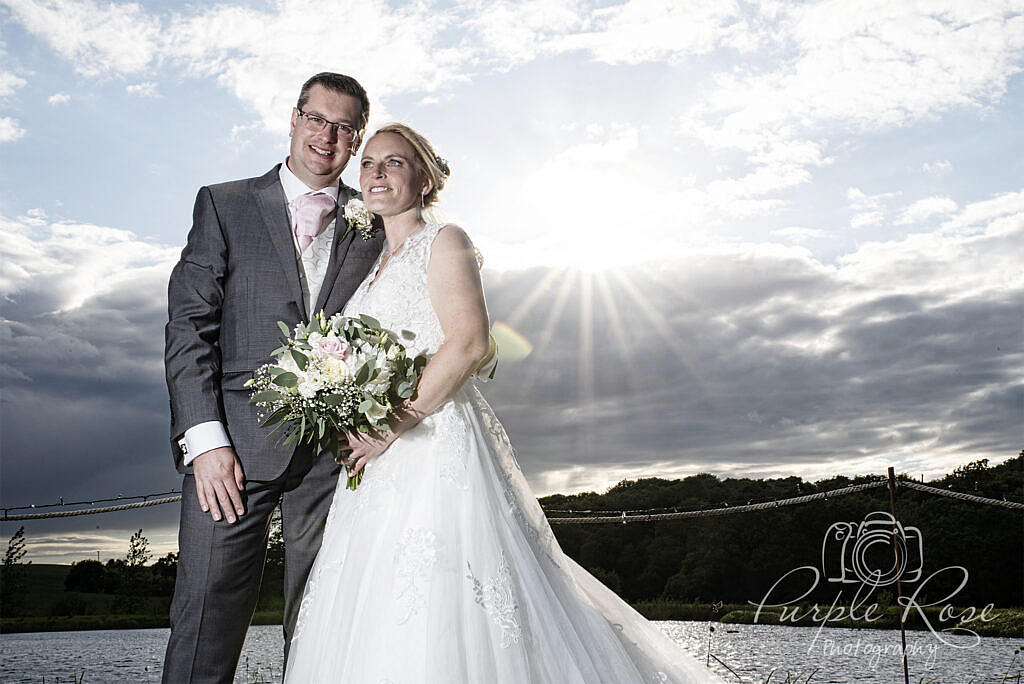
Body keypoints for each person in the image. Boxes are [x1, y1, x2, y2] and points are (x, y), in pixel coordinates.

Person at [283, 123, 724, 683]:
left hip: (428, 443)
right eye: (368, 164)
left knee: (452, 596)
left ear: (423, 178)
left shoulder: (443, 241)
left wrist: (394, 423)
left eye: (394, 163)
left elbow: (468, 341)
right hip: (374, 464)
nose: (376, 174)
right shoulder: (370, 267)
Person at [162, 72, 385, 682]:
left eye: (345, 128)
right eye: (317, 119)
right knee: (206, 618)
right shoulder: (225, 202)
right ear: (293, 119)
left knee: (322, 627)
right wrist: (205, 442)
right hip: (230, 457)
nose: (327, 136)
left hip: (333, 464)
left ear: (356, 138)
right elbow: (189, 327)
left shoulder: (374, 224)